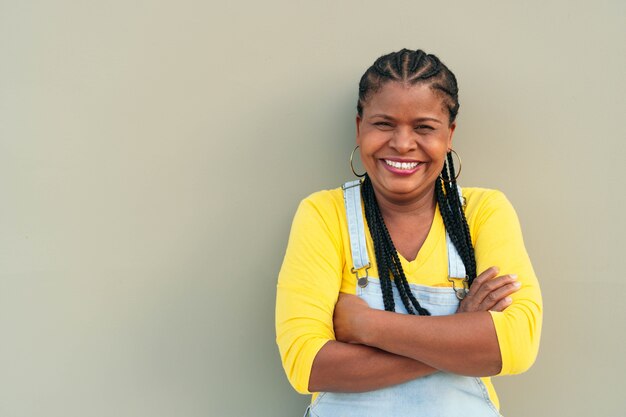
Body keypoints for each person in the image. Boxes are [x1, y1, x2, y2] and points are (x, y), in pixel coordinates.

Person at [275, 48, 542, 417]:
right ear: (359, 128)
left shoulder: (483, 212)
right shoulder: (324, 215)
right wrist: (462, 334)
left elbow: (516, 345)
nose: (402, 143)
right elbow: (307, 365)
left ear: (449, 135)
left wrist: (367, 325)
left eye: (424, 127)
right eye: (383, 124)